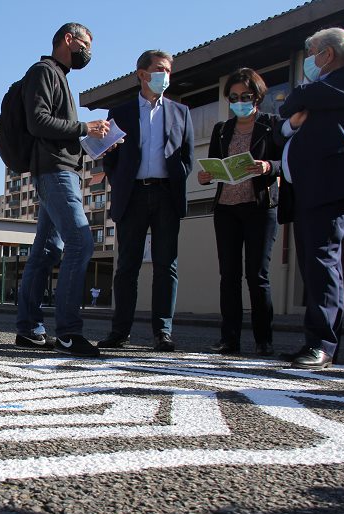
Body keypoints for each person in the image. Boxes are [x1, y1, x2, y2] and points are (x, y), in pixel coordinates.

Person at [276, 28, 344, 370]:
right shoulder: (327, 94)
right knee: (313, 265)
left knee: (322, 261)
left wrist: (296, 108)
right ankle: (318, 342)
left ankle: (323, 344)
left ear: (328, 54)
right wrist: (292, 119)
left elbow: (294, 100)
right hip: (309, 190)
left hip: (332, 187)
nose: (310, 63)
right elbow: (281, 125)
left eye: (313, 54)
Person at [14, 22, 112, 357]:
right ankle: (69, 332)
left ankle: (28, 329)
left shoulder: (59, 77)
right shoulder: (44, 72)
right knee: (81, 242)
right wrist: (86, 126)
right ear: (68, 40)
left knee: (45, 252)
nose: (89, 52)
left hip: (62, 169)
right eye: (86, 43)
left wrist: (91, 142)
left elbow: (57, 130)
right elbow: (37, 122)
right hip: (55, 172)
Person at [98, 50, 194, 352]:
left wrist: (175, 178)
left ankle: (162, 332)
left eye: (168, 71)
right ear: (142, 74)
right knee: (127, 266)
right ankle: (120, 331)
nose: (165, 75)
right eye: (160, 69)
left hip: (166, 195)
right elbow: (109, 158)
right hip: (133, 195)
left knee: (167, 266)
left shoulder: (181, 112)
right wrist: (122, 182)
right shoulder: (121, 113)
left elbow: (187, 157)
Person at [197, 68, 283, 357]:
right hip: (226, 209)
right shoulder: (222, 129)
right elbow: (213, 164)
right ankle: (229, 339)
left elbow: (287, 160)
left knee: (257, 276)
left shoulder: (271, 125)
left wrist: (268, 166)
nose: (239, 102)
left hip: (259, 208)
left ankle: (263, 339)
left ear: (257, 97)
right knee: (229, 276)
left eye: (245, 96)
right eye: (233, 97)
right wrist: (206, 176)